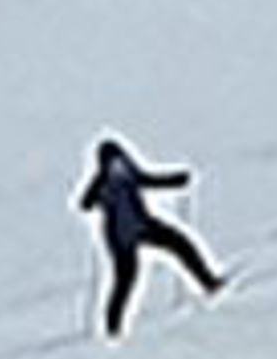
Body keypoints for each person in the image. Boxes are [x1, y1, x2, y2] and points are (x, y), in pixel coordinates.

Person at [76, 136, 224, 338]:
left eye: (118, 158)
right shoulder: (104, 181)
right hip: (122, 238)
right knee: (126, 279)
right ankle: (112, 327)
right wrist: (97, 186)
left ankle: (209, 283)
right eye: (112, 160)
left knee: (180, 244)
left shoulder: (127, 171)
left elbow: (149, 180)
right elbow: (84, 204)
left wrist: (176, 180)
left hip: (142, 225)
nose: (117, 164)